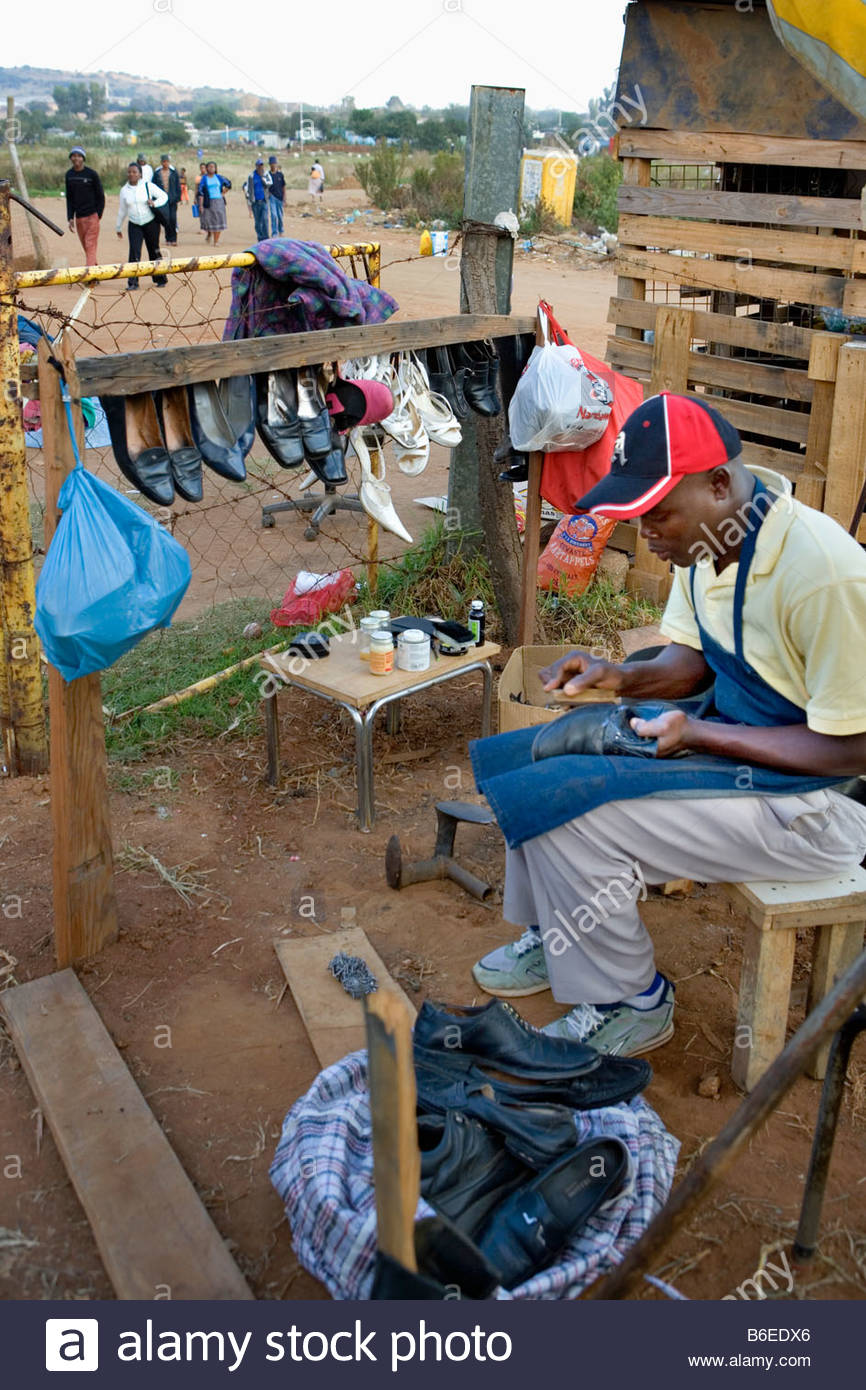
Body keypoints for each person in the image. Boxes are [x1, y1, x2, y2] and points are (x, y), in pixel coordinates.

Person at [470, 392, 866, 1056]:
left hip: (821, 807)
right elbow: (689, 660)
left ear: (718, 485)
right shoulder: (711, 540)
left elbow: (851, 747)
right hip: (745, 747)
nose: (647, 533)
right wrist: (618, 678)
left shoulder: (821, 574)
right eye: (637, 516)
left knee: (575, 811)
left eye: (657, 515)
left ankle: (632, 1000)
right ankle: (557, 931)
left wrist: (701, 735)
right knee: (538, 752)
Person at [116, 161, 168, 290]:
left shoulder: (147, 186)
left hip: (150, 222)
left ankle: (160, 278)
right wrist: (118, 226)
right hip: (134, 224)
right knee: (134, 252)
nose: (132, 174)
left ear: (140, 174)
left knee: (154, 250)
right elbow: (122, 210)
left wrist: (154, 203)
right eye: (129, 172)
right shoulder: (124, 190)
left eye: (134, 172)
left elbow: (164, 196)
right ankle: (133, 282)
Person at [64, 146, 104, 266]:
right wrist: (70, 217)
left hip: (92, 216)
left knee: (90, 244)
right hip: (79, 218)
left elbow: (100, 195)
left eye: (79, 156)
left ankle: (89, 277)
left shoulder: (91, 174)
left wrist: (98, 214)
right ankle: (95, 272)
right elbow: (69, 198)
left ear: (83, 158)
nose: (76, 158)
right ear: (71, 158)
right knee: (87, 247)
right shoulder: (69, 175)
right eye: (73, 156)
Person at [198, 161, 230, 246]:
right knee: (208, 220)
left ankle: (216, 241)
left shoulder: (219, 177)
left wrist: (223, 193)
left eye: (213, 167)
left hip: (219, 201)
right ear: (206, 168)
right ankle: (209, 233)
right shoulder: (204, 179)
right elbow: (200, 192)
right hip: (208, 201)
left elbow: (228, 184)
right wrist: (200, 205)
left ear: (215, 168)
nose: (211, 168)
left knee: (218, 219)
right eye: (209, 167)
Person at [153, 154, 181, 245]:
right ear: (161, 163)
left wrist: (178, 197)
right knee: (166, 219)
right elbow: (153, 186)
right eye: (164, 162)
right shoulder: (157, 174)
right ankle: (168, 238)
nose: (166, 163)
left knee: (173, 219)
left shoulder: (173, 173)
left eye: (167, 162)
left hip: (172, 199)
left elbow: (178, 186)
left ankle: (174, 239)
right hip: (162, 200)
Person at [245, 157, 271, 240]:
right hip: (255, 202)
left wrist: (263, 178)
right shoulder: (251, 176)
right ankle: (260, 237)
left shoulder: (266, 174)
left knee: (265, 219)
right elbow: (248, 188)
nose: (260, 167)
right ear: (256, 166)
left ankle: (266, 237)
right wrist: (249, 200)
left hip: (264, 201)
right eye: (258, 165)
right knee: (258, 221)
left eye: (261, 165)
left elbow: (270, 183)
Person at [267, 154, 285, 236]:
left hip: (280, 198)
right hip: (272, 198)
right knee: (274, 215)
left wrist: (285, 198)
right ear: (269, 164)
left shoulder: (280, 175)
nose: (273, 165)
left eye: (274, 163)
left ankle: (281, 230)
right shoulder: (267, 175)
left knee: (280, 216)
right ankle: (274, 233)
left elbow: (283, 186)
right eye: (272, 163)